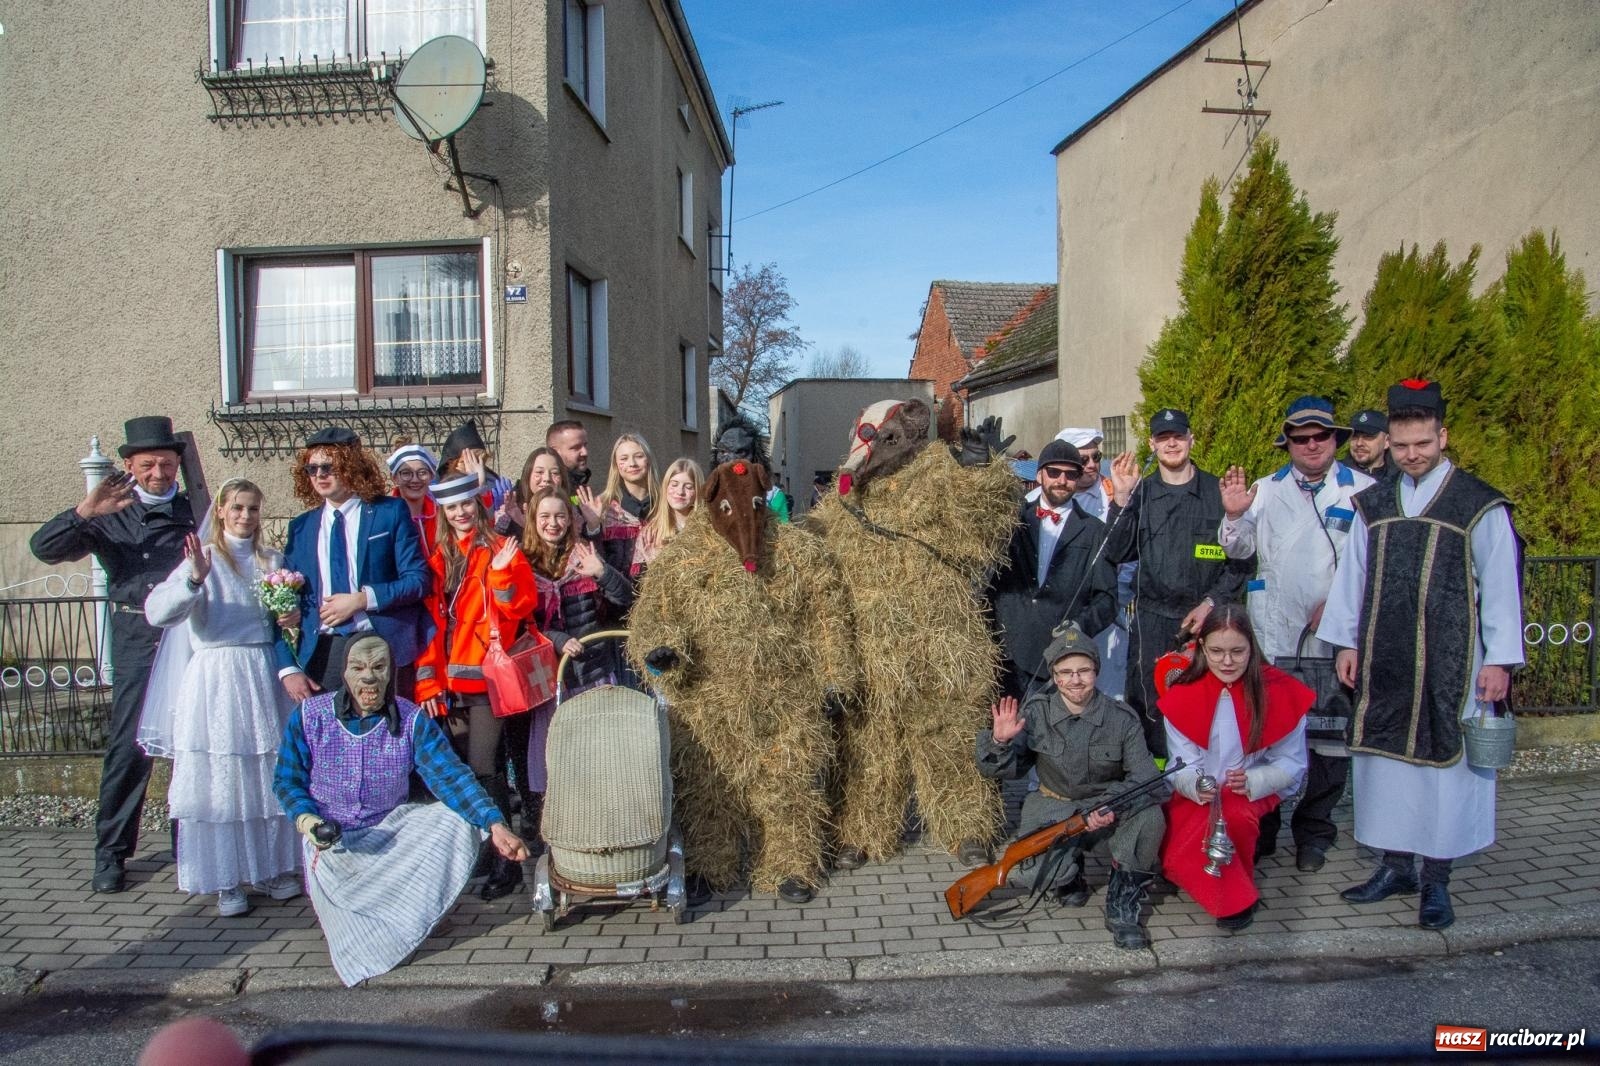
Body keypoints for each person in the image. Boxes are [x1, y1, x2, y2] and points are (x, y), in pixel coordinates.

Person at [1318, 380, 1523, 931]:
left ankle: (1437, 880)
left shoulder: (1477, 503)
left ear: (1443, 436)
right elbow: (1352, 578)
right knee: (1387, 769)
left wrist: (1499, 660)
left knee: (1443, 771)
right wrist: (1345, 642)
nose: (1412, 455)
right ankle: (1394, 866)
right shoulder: (1375, 503)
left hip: (1451, 662)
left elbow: (1501, 586)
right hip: (1385, 658)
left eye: (1423, 444)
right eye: (1403, 445)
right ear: (1391, 441)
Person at [273, 634, 529, 986]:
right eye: (359, 668)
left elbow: (451, 777)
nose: (369, 679)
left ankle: (416, 910)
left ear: (391, 673)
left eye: (379, 668)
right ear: (344, 673)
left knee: (452, 819)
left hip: (388, 833)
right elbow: (287, 781)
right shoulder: (310, 717)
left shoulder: (410, 720)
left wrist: (496, 825)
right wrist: (309, 821)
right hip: (332, 842)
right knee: (361, 943)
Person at [31, 416, 198, 893]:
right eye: (148, 465)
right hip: (137, 637)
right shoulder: (110, 513)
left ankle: (189, 843)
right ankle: (111, 854)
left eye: (166, 464)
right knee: (130, 748)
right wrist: (85, 509)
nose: (158, 474)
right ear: (129, 465)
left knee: (190, 744)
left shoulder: (195, 510)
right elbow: (43, 548)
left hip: (187, 639)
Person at [1218, 396, 1373, 873]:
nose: (1310, 445)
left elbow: (1374, 564)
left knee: (1328, 740)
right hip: (1273, 632)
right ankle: (1263, 828)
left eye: (1319, 436)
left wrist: (1344, 602)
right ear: (1287, 442)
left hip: (1333, 639)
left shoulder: (1363, 490)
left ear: (1335, 440)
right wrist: (1234, 516)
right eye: (1299, 438)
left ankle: (1314, 832)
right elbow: (1238, 550)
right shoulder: (1265, 489)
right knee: (1266, 735)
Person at [141, 478, 301, 915]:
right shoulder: (205, 559)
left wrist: (291, 614)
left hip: (262, 671)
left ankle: (271, 867)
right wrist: (193, 580)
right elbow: (159, 612)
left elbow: (281, 622)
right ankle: (227, 878)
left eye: (252, 508)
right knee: (222, 776)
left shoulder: (272, 559)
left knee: (265, 770)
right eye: (237, 508)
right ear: (223, 511)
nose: (245, 516)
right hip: (216, 673)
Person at [977, 624, 1164, 950]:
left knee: (1151, 817)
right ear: (1054, 675)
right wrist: (999, 742)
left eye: (1084, 671)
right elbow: (1000, 770)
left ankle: (1122, 904)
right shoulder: (1036, 713)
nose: (1075, 680)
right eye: (1065, 672)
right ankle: (1067, 873)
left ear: (1096, 671)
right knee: (1024, 872)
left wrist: (1109, 805)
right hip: (1053, 807)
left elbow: (1145, 776)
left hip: (1106, 810)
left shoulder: (1121, 718)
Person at [414, 471, 540, 900]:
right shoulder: (437, 555)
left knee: (486, 770)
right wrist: (427, 681)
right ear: (444, 514)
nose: (462, 512)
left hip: (486, 679)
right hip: (447, 682)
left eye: (467, 504)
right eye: (452, 508)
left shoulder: (501, 549)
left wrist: (503, 575)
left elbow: (520, 608)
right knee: (462, 772)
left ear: (479, 504)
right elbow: (430, 624)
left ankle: (506, 862)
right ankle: (480, 855)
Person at [1104, 408, 1254, 759]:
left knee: (1211, 707)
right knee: (1151, 710)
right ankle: (1159, 796)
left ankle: (1207, 788)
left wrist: (1211, 604)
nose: (1171, 443)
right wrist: (1121, 500)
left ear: (1191, 440)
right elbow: (1115, 551)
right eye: (1163, 438)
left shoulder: (1218, 494)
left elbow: (1242, 565)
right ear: (1152, 445)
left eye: (1178, 436)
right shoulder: (1140, 494)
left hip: (1208, 623)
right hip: (1152, 621)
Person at [1159, 605, 1312, 931]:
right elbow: (1179, 762)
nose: (1227, 662)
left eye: (1237, 652)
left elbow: (1292, 762)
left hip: (1252, 790)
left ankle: (1232, 900)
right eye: (1216, 651)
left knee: (1231, 817)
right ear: (1202, 648)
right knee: (1184, 833)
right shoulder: (1184, 693)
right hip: (1199, 790)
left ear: (1251, 648)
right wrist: (1197, 785)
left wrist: (1255, 779)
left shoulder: (1279, 691)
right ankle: (1203, 875)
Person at [276, 427, 432, 702]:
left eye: (328, 467)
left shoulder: (389, 511)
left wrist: (362, 599)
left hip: (380, 642)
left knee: (387, 739)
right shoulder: (301, 528)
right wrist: (288, 666)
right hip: (324, 650)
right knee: (331, 742)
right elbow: (283, 600)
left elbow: (418, 580)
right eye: (312, 469)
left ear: (351, 466)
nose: (320, 475)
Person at [521, 487, 635, 802]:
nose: (552, 523)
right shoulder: (524, 563)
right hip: (554, 680)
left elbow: (624, 600)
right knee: (560, 765)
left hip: (594, 672)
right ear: (534, 520)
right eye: (545, 516)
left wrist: (602, 572)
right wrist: (558, 640)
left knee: (600, 762)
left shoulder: (583, 553)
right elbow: (524, 623)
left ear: (570, 519)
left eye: (560, 515)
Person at [988, 438, 1116, 702]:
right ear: (1039, 475)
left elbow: (1108, 599)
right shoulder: (1011, 519)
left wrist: (1079, 626)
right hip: (1004, 655)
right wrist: (981, 464)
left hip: (1058, 659)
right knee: (1004, 737)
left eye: (1071, 474)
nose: (1062, 480)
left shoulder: (1094, 531)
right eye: (1054, 472)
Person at [713, 411, 789, 522]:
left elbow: (785, 533)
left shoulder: (773, 497)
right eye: (724, 451)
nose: (732, 460)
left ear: (755, 457)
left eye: (741, 452)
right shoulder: (710, 494)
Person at [632, 458, 703, 574]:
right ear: (665, 487)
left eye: (689, 487)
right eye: (674, 485)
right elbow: (639, 583)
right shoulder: (650, 534)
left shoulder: (707, 530)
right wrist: (654, 563)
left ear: (697, 491)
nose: (680, 492)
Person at [439, 421, 514, 511]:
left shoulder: (496, 484)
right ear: (451, 464)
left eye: (479, 460)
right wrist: (479, 486)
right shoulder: (443, 489)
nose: (475, 466)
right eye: (466, 462)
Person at [386, 440, 440, 559]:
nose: (415, 480)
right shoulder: (385, 518)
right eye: (406, 473)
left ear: (431, 476)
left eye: (422, 472)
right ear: (394, 477)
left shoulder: (442, 516)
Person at [598, 433, 659, 521]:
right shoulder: (602, 506)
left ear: (649, 460)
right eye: (624, 458)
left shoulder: (665, 504)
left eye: (639, 456)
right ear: (616, 465)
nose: (632, 464)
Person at [1346, 409, 1398, 481]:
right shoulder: (1336, 474)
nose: (1359, 443)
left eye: (1368, 436)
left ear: (1387, 441)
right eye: (1354, 436)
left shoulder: (1400, 479)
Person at [545, 419, 592, 488]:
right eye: (576, 447)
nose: (585, 453)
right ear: (554, 452)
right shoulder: (549, 489)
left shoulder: (578, 483)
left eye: (585, 445)